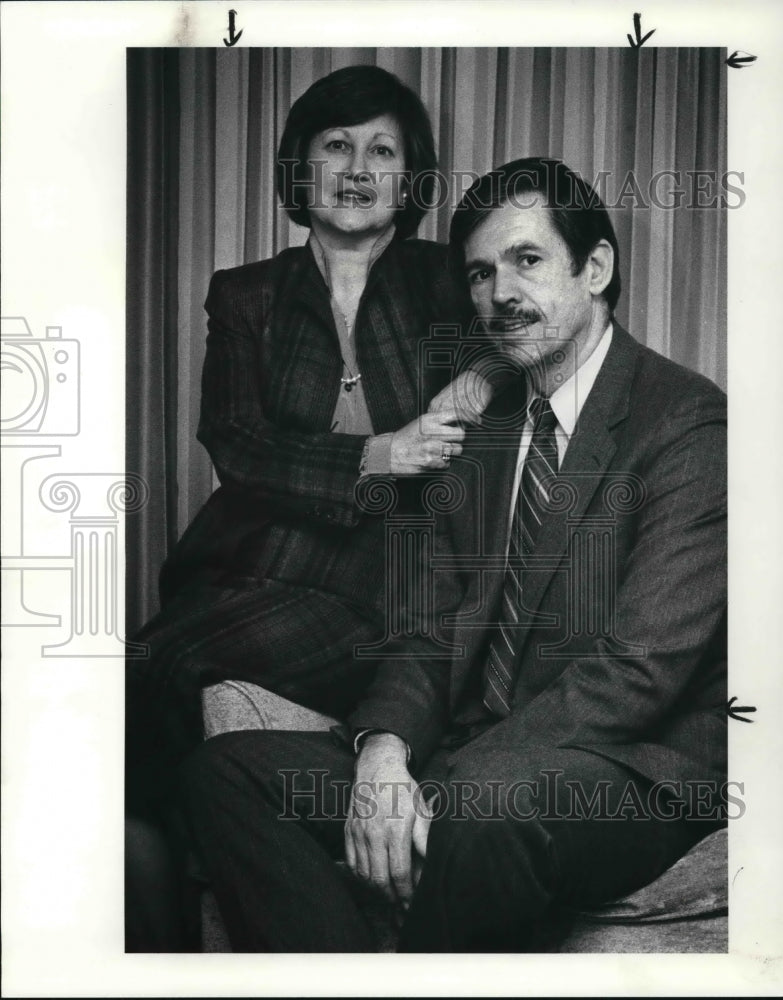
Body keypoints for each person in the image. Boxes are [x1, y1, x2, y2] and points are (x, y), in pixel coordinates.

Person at [176, 158, 727, 952]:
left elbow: (638, 670)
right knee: (225, 774)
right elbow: (428, 632)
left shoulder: (685, 424)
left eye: (527, 260)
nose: (500, 292)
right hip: (476, 759)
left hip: (630, 767)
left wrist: (443, 788)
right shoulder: (481, 432)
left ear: (595, 267)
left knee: (481, 811)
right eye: (479, 272)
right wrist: (383, 757)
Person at [125, 65, 495, 949]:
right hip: (254, 556)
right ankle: (142, 870)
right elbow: (236, 438)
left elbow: (521, 340)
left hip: (385, 569)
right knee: (143, 664)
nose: (358, 168)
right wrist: (382, 452)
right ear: (300, 167)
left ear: (411, 177)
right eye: (336, 146)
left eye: (381, 149)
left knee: (162, 664)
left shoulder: (446, 277)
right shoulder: (247, 292)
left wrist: (474, 383)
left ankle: (156, 874)